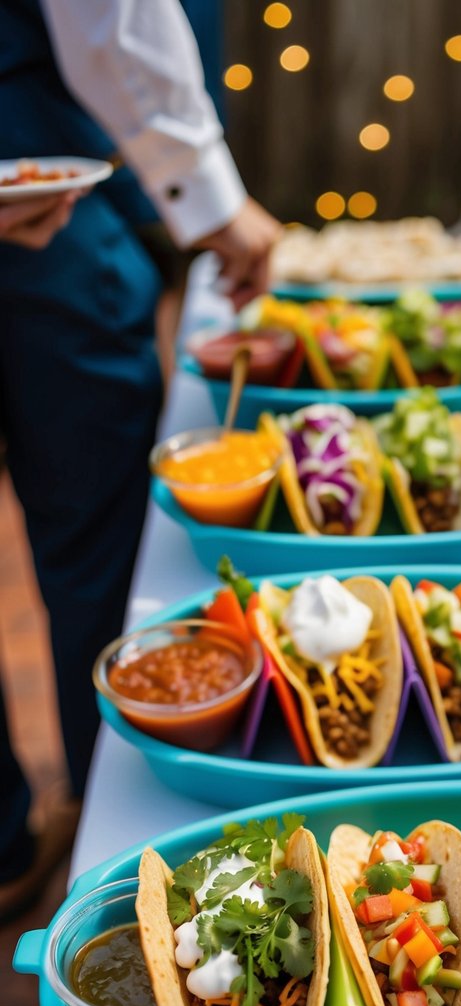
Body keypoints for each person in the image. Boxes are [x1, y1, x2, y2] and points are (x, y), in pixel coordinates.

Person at [0, 0, 281, 920]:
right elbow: (111, 21)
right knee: (99, 553)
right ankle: (119, 855)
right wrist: (212, 200)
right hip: (45, 200)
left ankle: (16, 849)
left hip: (46, 192)